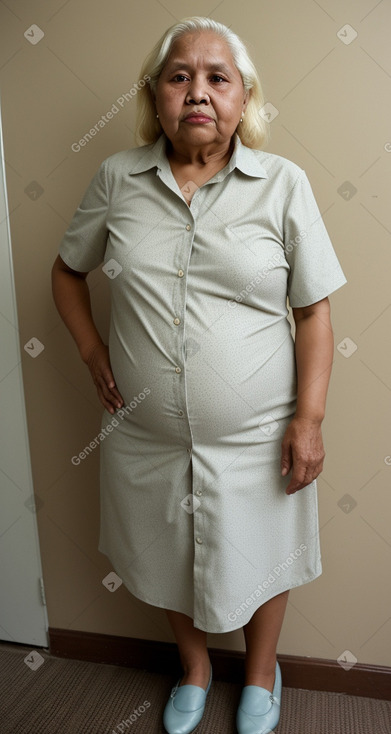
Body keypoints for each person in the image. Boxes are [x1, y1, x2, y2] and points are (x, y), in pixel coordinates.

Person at [52, 16, 347, 734]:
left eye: (217, 78)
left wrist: (307, 421)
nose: (197, 92)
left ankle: (258, 675)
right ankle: (194, 668)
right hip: (144, 432)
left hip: (257, 434)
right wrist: (94, 353)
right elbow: (66, 272)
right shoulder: (117, 178)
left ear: (244, 99)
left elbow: (312, 312)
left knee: (265, 551)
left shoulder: (281, 184)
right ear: (154, 97)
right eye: (179, 76)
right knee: (161, 550)